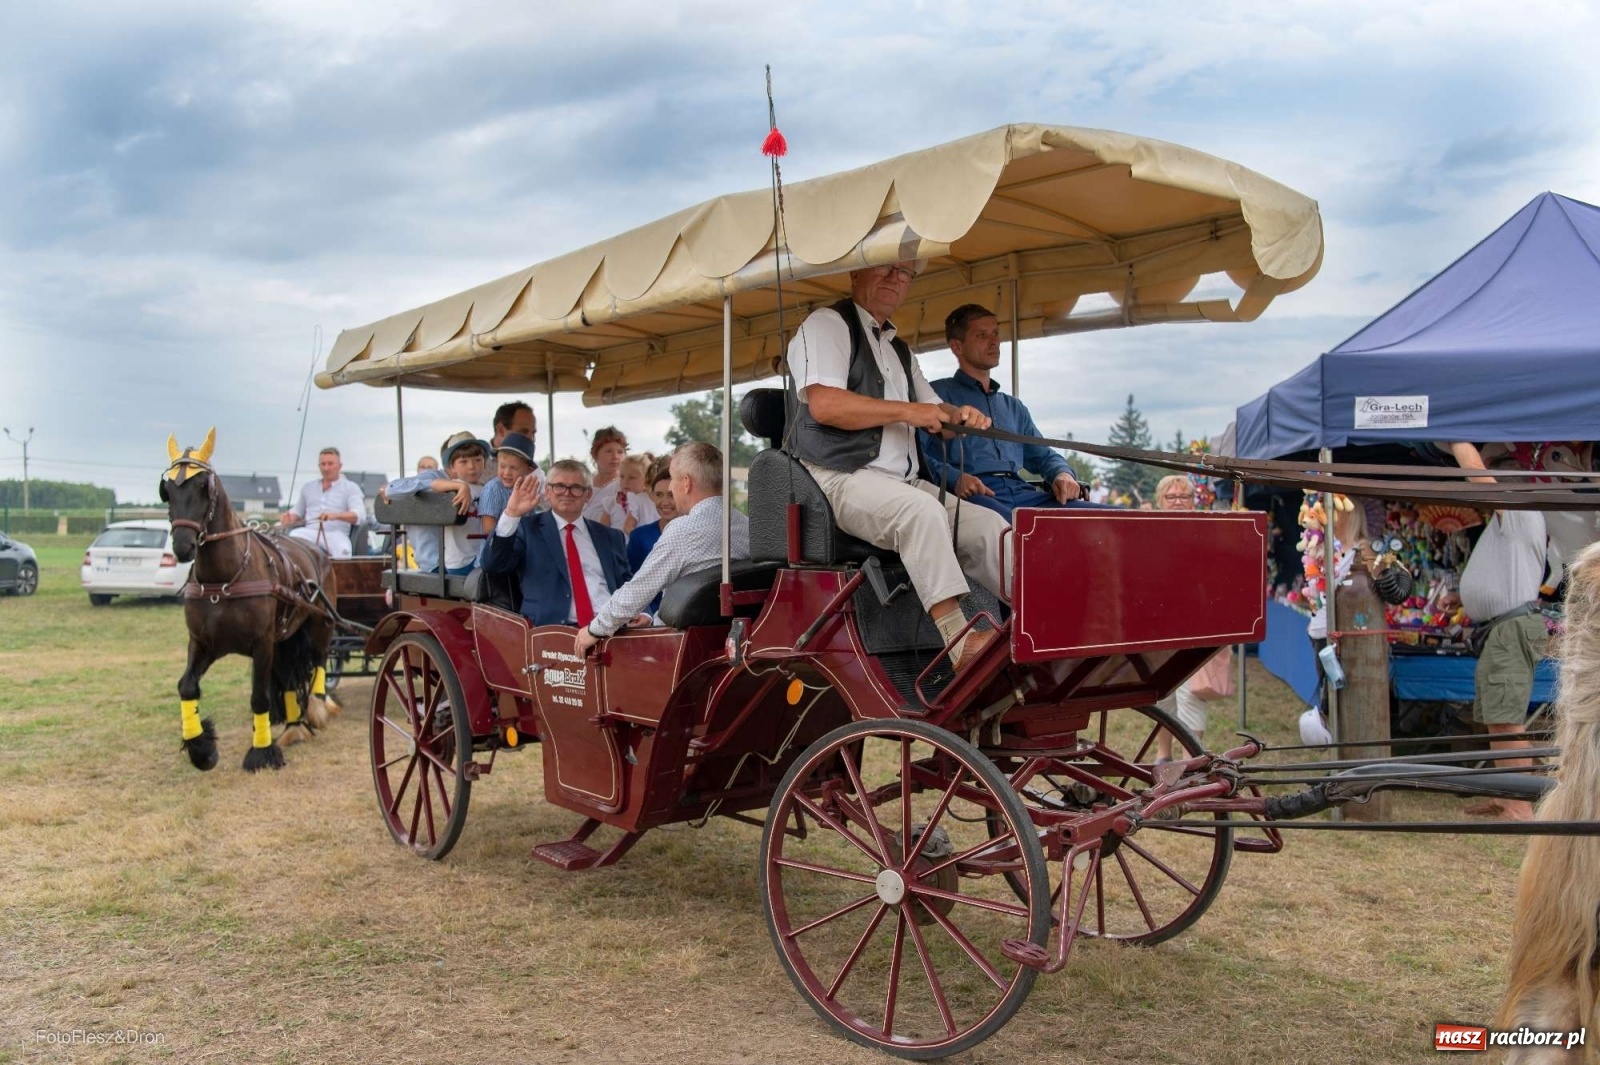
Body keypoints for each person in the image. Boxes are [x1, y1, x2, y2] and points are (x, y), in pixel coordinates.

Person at [785, 260, 1009, 671]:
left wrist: (959, 416)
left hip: (900, 482)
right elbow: (826, 405)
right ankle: (961, 642)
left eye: (905, 273)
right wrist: (911, 411)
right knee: (921, 512)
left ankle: (1042, 623)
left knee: (989, 525)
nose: (895, 279)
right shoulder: (827, 324)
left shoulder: (899, 349)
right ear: (855, 274)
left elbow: (934, 413)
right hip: (839, 477)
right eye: (885, 269)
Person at [1454, 441, 1560, 821]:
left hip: (1511, 627)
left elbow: (1476, 474)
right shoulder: (1514, 515)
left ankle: (1519, 804)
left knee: (1507, 718)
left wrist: (1458, 438)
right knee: (1498, 717)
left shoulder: (1519, 507)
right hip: (1502, 627)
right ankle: (1506, 796)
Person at [919, 304, 1100, 519]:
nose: (994, 341)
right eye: (982, 335)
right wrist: (954, 478)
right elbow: (917, 454)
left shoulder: (1014, 407)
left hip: (1022, 493)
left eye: (995, 333)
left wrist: (1063, 474)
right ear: (957, 346)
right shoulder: (934, 396)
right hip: (974, 496)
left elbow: (1044, 456)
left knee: (1109, 518)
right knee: (1016, 529)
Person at [575, 442, 750, 654]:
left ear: (686, 483)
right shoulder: (746, 526)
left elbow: (638, 590)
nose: (669, 488)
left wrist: (595, 629)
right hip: (730, 642)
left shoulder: (683, 530)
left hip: (673, 647)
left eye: (673, 479)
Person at [483, 459, 631, 627]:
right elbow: (493, 565)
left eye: (576, 488)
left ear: (588, 495)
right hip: (553, 632)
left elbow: (627, 584)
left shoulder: (610, 536)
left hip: (610, 629)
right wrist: (511, 514)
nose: (566, 493)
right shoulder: (526, 529)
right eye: (559, 486)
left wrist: (643, 613)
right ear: (547, 491)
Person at [1150, 476, 1213, 761]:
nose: (1177, 501)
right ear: (1159, 501)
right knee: (1163, 695)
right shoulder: (1149, 535)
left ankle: (1191, 762)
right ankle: (1163, 757)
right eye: (1171, 497)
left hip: (1195, 627)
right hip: (1159, 628)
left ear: (1193, 500)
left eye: (1183, 497)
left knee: (1192, 695)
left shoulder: (1205, 533)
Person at [280, 447, 365, 559]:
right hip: (310, 532)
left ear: (340, 466)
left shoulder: (351, 488)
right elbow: (297, 512)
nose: (326, 468)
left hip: (336, 534)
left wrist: (334, 516)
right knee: (292, 538)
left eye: (330, 464)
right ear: (319, 466)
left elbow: (359, 515)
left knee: (344, 551)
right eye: (323, 464)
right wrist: (289, 518)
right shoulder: (308, 488)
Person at [477, 432, 544, 558]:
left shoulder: (528, 488)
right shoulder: (493, 489)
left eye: (514, 468)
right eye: (502, 466)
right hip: (495, 555)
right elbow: (488, 531)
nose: (507, 472)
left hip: (521, 551)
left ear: (528, 470)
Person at [626, 465, 680, 615]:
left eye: (671, 495)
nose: (665, 502)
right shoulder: (639, 536)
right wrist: (647, 615)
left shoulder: (697, 533)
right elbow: (632, 583)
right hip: (650, 619)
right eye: (659, 495)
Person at [431, 432, 488, 576]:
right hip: (461, 560)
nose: (472, 467)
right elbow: (434, 485)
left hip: (477, 556)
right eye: (464, 462)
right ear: (452, 467)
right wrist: (461, 488)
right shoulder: (456, 485)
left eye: (477, 460)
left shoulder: (485, 488)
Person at [584, 427, 658, 534]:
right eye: (608, 451)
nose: (615, 457)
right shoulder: (583, 484)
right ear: (594, 454)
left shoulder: (630, 488)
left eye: (620, 452)